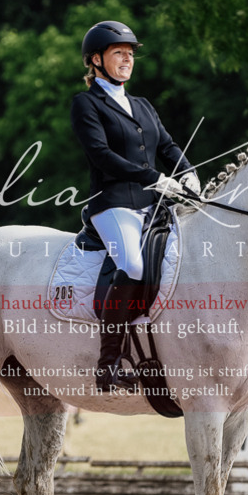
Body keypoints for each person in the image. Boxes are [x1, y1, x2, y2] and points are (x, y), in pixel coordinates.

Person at [70, 20, 200, 391]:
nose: (127, 59)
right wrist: (153, 178)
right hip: (113, 204)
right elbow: (101, 154)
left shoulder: (142, 105)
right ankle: (108, 363)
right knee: (132, 263)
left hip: (153, 204)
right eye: (118, 53)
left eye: (130, 54)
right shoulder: (86, 104)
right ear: (96, 60)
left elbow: (167, 146)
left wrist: (187, 172)